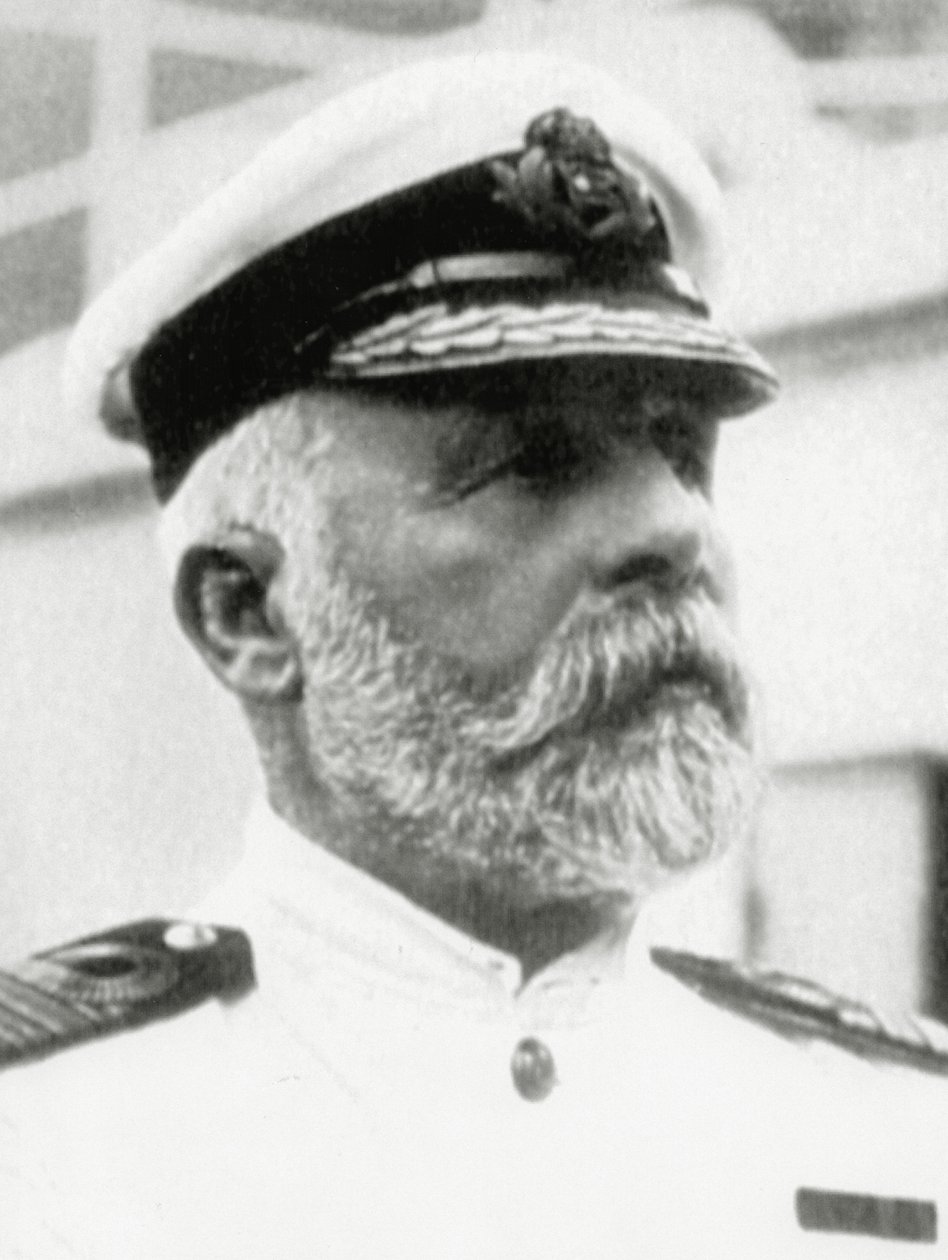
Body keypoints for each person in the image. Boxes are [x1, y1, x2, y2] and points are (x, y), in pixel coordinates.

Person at [4, 51, 948, 1258]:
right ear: (248, 614)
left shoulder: (896, 1133)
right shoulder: (49, 1151)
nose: (675, 530)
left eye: (680, 451)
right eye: (531, 466)